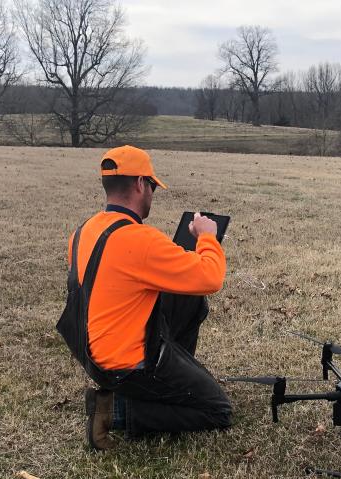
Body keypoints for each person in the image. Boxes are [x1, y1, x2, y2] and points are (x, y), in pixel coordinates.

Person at [58, 145, 232, 450]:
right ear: (140, 184)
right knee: (217, 409)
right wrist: (205, 235)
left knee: (189, 299)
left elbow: (124, 278)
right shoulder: (140, 239)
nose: (152, 193)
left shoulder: (84, 230)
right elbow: (210, 277)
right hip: (127, 366)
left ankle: (173, 378)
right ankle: (115, 412)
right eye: (152, 186)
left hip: (92, 354)